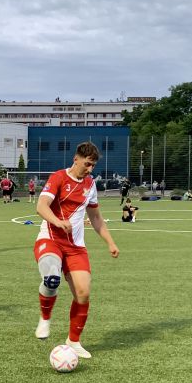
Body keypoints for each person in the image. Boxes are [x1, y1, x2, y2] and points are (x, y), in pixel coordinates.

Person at [33, 142, 119, 359]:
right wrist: (57, 221)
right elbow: (41, 206)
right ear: (76, 159)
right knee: (52, 279)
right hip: (51, 239)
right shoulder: (58, 177)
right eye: (87, 164)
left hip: (76, 247)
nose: (90, 169)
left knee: (83, 292)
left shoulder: (90, 185)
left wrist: (110, 242)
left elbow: (96, 218)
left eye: (93, 166)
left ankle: (73, 341)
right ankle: (45, 318)